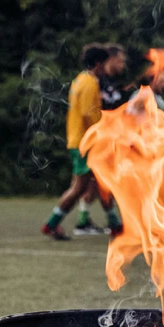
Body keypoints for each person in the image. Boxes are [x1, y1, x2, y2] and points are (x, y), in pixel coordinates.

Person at [41, 44, 122, 240]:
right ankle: (51, 225)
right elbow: (89, 113)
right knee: (81, 187)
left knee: (101, 184)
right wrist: (105, 129)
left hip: (81, 141)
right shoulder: (89, 83)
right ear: (97, 64)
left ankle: (115, 226)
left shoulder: (80, 80)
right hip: (87, 143)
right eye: (104, 63)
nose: (106, 67)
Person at [75, 43, 128, 235]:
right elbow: (94, 112)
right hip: (100, 138)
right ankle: (112, 223)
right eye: (120, 60)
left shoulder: (107, 82)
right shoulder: (96, 82)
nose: (123, 64)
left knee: (94, 183)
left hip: (108, 138)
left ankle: (86, 221)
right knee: (99, 182)